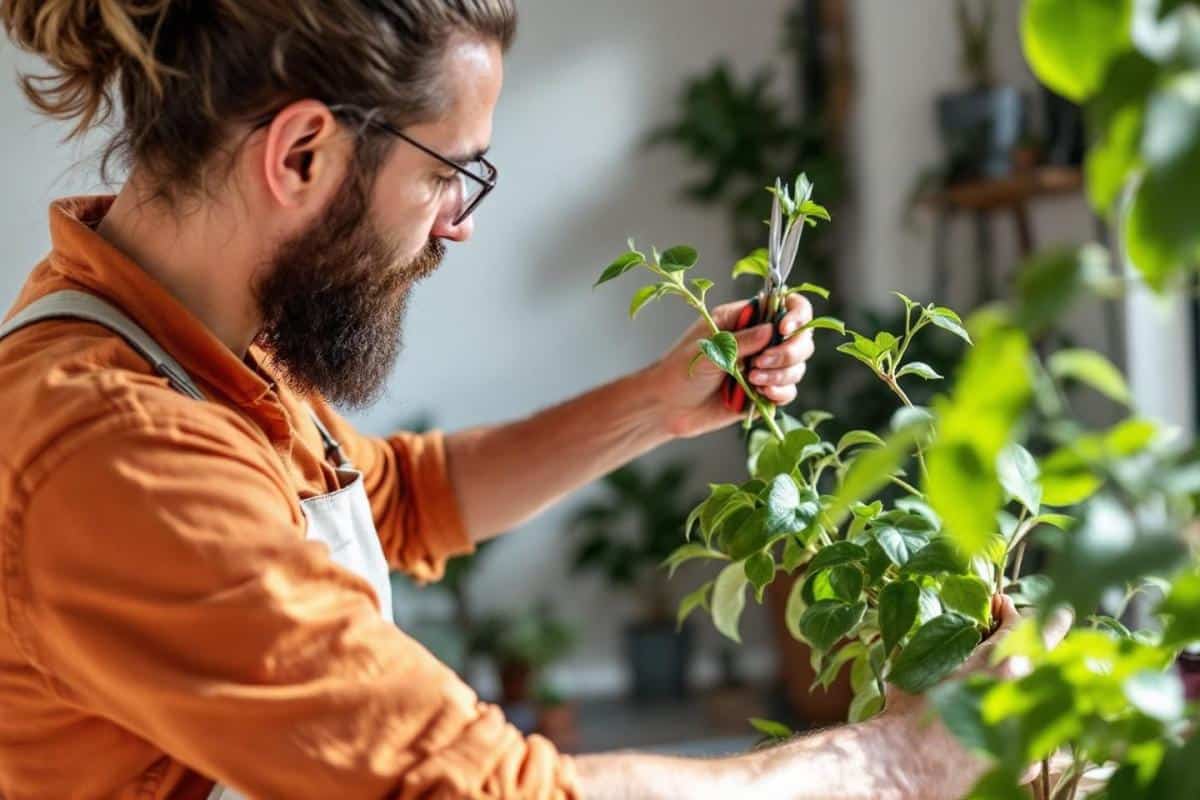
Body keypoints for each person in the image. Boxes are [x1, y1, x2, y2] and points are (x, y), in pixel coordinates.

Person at [0, 2, 1051, 798]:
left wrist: (656, 402)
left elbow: (404, 500)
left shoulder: (209, 357)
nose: (458, 223)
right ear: (304, 151)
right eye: (449, 173)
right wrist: (900, 758)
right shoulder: (118, 453)